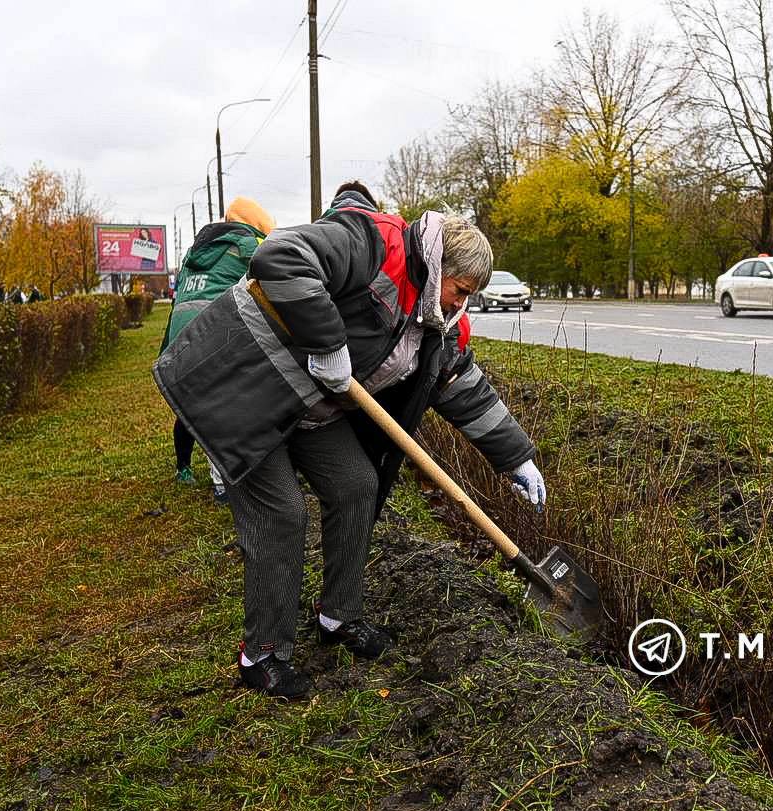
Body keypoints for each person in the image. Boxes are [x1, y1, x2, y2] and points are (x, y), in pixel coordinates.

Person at [154, 195, 545, 701]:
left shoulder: (435, 321)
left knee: (357, 485)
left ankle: (338, 616)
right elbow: (280, 256)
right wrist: (326, 340)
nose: (460, 305)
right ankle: (263, 655)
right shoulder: (373, 243)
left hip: (309, 409)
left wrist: (516, 457)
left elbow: (462, 385)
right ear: (439, 265)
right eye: (460, 290)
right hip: (244, 390)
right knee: (282, 515)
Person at [160, 197, 276, 503]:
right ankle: (224, 484)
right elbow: (272, 284)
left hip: (181, 335)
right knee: (225, 404)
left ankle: (184, 468)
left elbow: (178, 301)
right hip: (213, 334)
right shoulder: (250, 245)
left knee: (193, 406)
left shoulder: (195, 251)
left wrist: (167, 349)